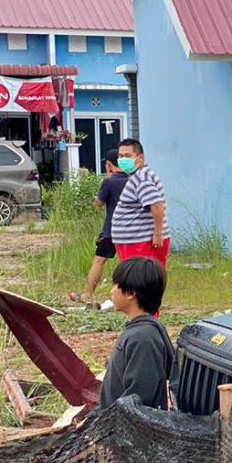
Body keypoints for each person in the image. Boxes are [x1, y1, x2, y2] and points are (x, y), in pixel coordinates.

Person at [98, 256, 174, 410]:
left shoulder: (143, 338)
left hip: (128, 429)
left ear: (131, 292)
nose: (112, 290)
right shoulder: (140, 331)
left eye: (116, 285)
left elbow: (138, 399)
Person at [70, 149, 128, 308]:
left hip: (111, 230)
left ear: (109, 165)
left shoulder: (109, 182)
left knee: (99, 261)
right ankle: (132, 295)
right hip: (131, 230)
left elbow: (99, 203)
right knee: (130, 263)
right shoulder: (133, 179)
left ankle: (88, 294)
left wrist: (96, 197)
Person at [110, 138, 170, 268]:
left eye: (128, 156)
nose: (123, 159)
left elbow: (156, 205)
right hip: (134, 241)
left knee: (138, 280)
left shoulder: (142, 179)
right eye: (120, 156)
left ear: (140, 157)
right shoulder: (137, 176)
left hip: (141, 242)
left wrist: (158, 233)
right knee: (137, 281)